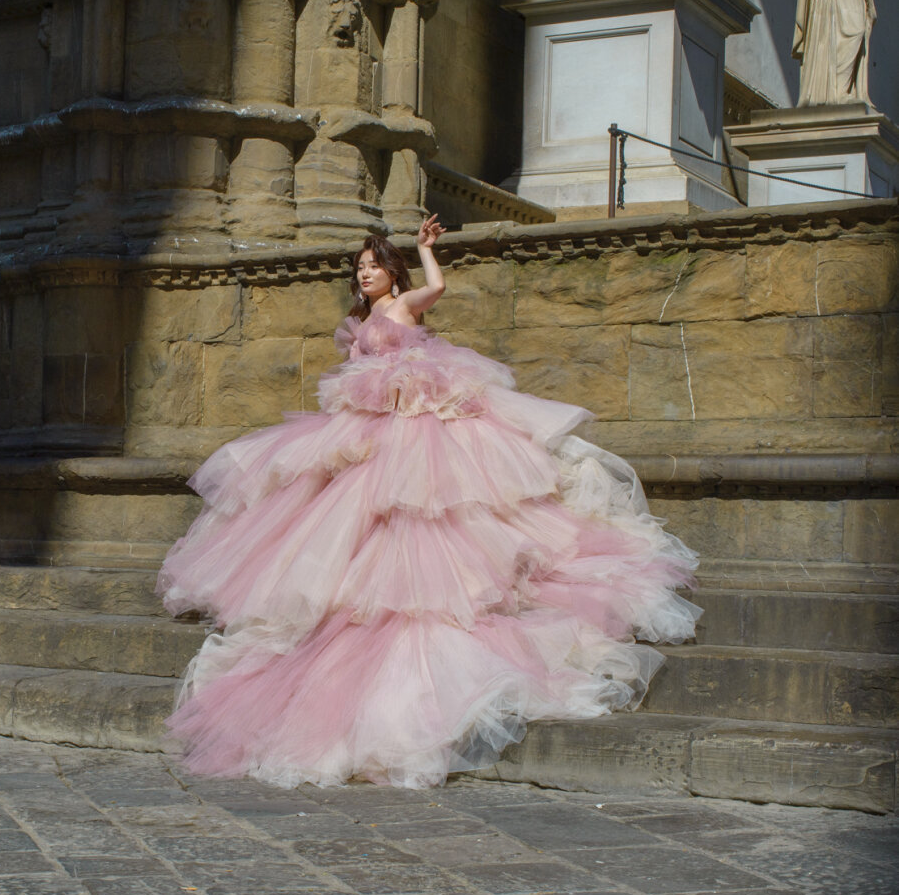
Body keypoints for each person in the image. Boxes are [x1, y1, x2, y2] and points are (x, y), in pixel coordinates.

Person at [157, 216, 700, 789]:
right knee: (337, 513)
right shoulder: (362, 321)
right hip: (369, 431)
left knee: (424, 512)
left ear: (392, 274)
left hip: (415, 431)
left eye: (373, 267)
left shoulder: (401, 307)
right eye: (359, 269)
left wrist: (425, 250)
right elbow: (355, 374)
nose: (364, 275)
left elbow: (436, 290)